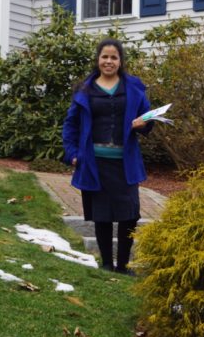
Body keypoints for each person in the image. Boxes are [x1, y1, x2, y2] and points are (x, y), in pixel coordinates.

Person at [62, 38, 154, 274]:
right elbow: (70, 125)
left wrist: (141, 124)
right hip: (94, 163)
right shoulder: (85, 90)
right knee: (101, 216)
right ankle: (106, 264)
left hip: (125, 163)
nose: (109, 61)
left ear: (120, 61)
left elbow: (148, 120)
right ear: (98, 59)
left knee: (129, 216)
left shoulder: (133, 87)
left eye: (114, 57)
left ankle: (123, 265)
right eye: (105, 57)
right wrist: (72, 154)